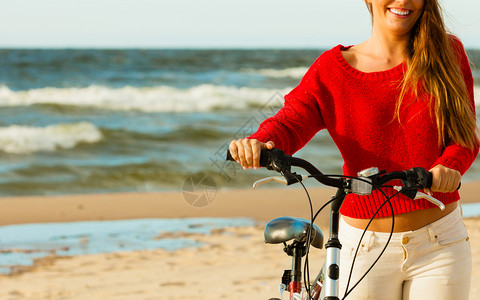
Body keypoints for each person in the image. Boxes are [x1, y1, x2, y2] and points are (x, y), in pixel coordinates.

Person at [228, 0, 479, 299]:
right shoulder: (333, 70)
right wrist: (261, 143)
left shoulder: (447, 54)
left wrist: (449, 166)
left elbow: (465, 136)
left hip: (439, 242)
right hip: (363, 245)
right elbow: (291, 121)